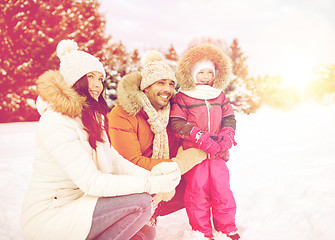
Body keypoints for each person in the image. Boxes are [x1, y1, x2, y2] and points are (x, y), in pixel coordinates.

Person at [20, 39, 182, 240]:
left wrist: (153, 176)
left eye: (100, 78)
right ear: (74, 79)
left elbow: (115, 161)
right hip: (51, 215)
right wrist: (151, 186)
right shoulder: (56, 122)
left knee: (146, 232)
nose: (98, 85)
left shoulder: (92, 118)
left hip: (81, 204)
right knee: (141, 203)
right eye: (91, 77)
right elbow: (92, 182)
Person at [108, 50, 206, 223]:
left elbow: (186, 141)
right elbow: (131, 163)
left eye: (170, 84)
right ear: (146, 87)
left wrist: (210, 144)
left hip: (160, 178)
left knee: (204, 181)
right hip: (131, 184)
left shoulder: (171, 114)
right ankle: (137, 215)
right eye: (160, 83)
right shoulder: (123, 113)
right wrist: (180, 164)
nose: (167, 89)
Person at [169, 44, 240, 240]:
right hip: (195, 154)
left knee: (222, 189)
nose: (206, 76)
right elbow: (176, 122)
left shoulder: (219, 95)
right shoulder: (184, 96)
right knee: (197, 192)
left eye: (210, 72)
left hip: (217, 153)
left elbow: (229, 117)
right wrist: (198, 136)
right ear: (192, 74)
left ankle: (227, 226)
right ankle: (202, 231)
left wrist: (227, 133)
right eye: (201, 72)